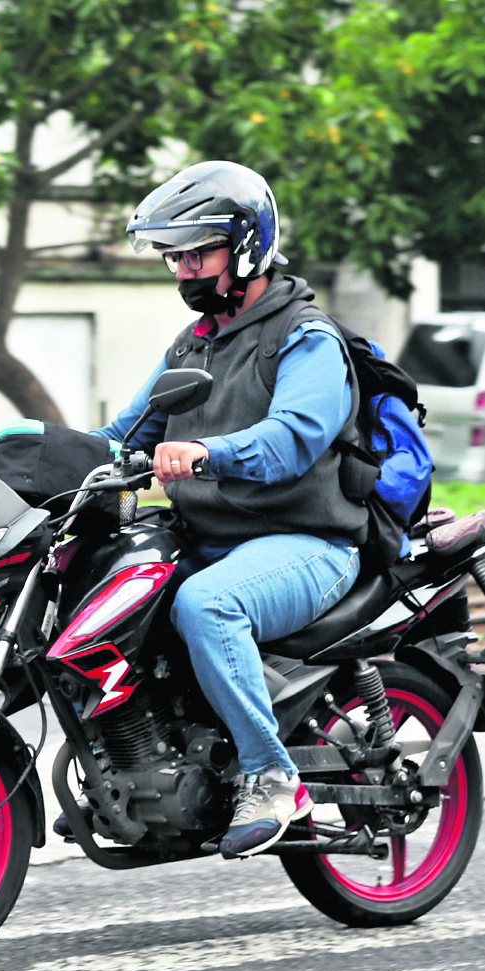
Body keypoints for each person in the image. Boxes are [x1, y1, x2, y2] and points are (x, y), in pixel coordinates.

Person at [96, 160, 364, 858]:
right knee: (103, 594)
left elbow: (292, 440)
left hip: (305, 543)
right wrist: (33, 454)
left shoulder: (306, 337)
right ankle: (126, 772)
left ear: (244, 244)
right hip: (210, 537)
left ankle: (272, 777)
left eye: (195, 253)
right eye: (172, 257)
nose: (182, 270)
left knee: (206, 605)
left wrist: (206, 453)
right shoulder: (193, 344)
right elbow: (125, 435)